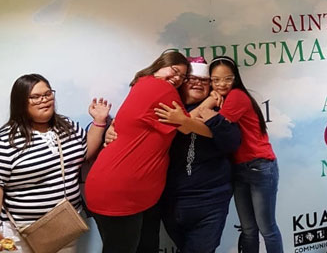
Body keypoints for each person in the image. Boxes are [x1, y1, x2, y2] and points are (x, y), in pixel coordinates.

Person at [84, 51, 191, 253]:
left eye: (183, 77)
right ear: (159, 65)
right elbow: (187, 125)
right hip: (120, 192)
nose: (177, 78)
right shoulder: (160, 87)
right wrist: (211, 102)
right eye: (175, 70)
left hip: (130, 192)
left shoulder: (141, 85)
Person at [0, 74, 111, 252]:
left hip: (65, 227)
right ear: (21, 102)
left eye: (47, 94)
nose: (44, 100)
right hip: (22, 232)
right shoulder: (7, 139)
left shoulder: (66, 125)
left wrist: (99, 122)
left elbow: (85, 152)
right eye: (35, 97)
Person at [155, 56, 242, 253]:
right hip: (171, 200)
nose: (197, 83)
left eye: (204, 80)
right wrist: (111, 129)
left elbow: (232, 142)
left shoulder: (222, 108)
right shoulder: (167, 107)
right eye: (191, 79)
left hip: (210, 200)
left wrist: (210, 111)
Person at [199, 55, 283, 253]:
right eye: (215, 80)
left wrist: (208, 103)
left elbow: (213, 124)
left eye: (227, 79)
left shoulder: (237, 96)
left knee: (267, 228)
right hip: (239, 168)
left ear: (235, 78)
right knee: (248, 229)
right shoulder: (225, 98)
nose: (222, 84)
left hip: (259, 166)